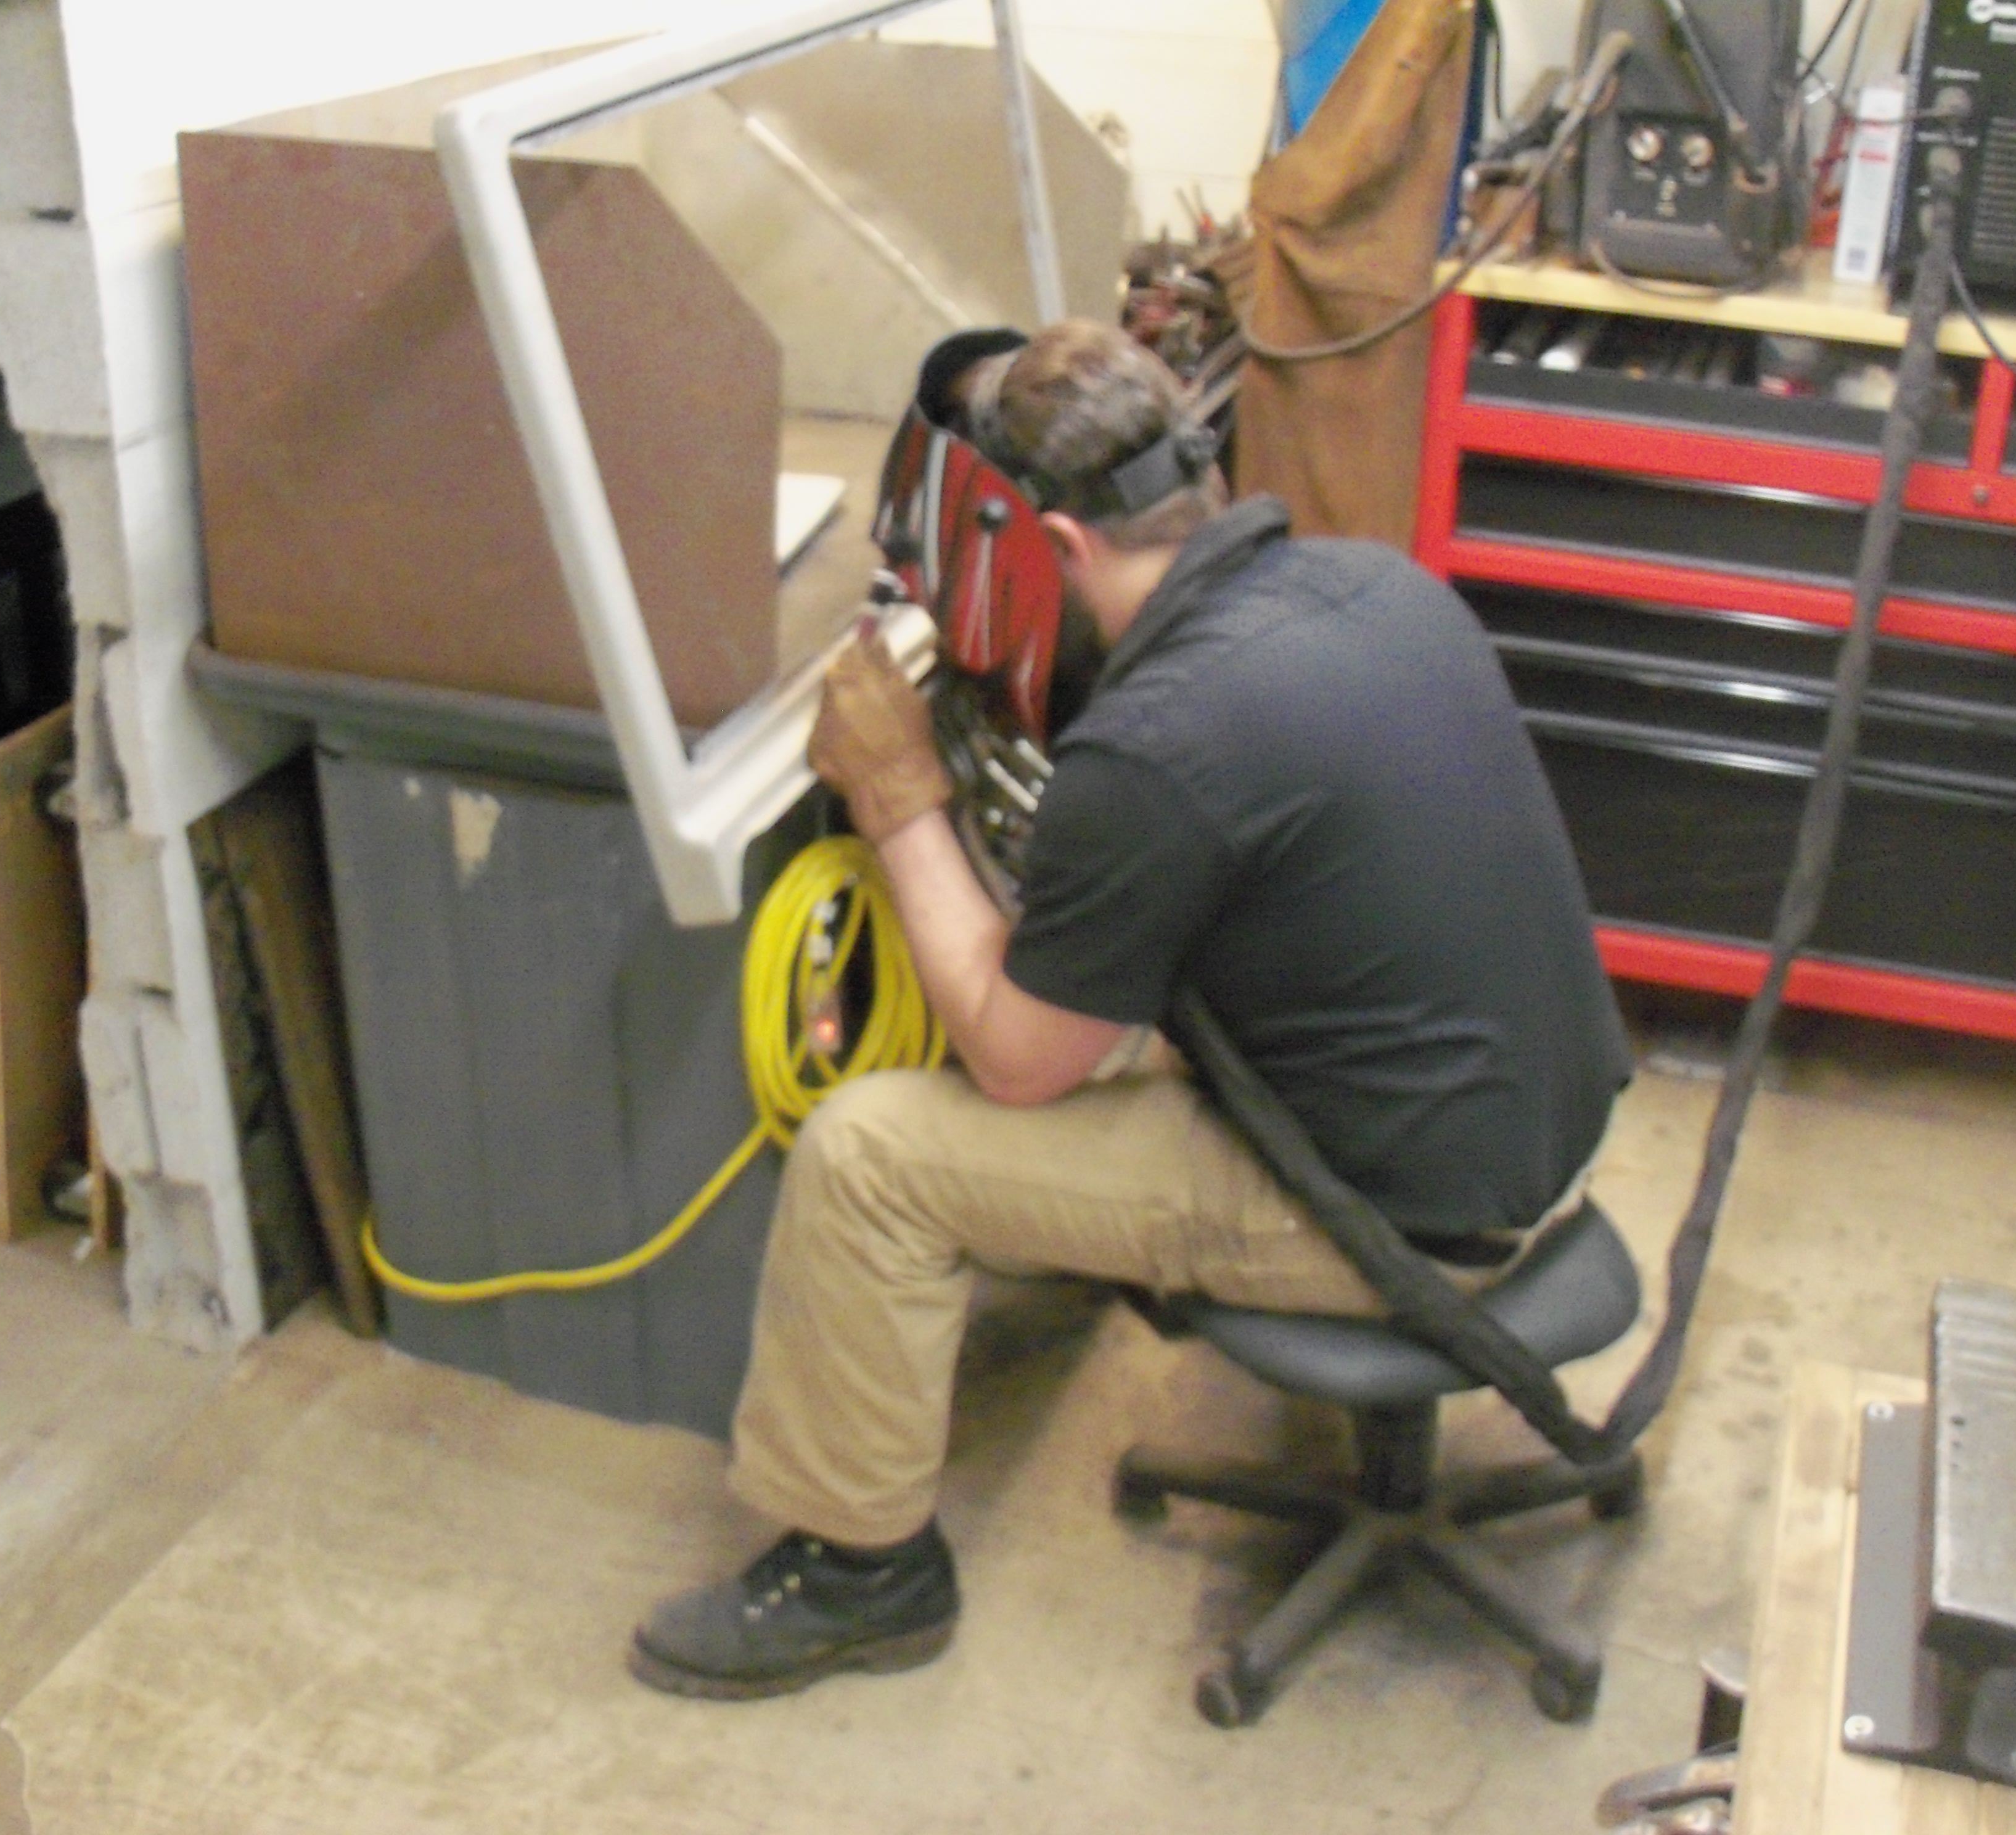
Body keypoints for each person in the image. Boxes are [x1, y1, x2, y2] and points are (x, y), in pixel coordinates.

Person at [628, 320, 1632, 1701]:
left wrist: (898, 792)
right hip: (1542, 1133)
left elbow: (1017, 1057)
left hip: (1403, 1228)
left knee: (870, 1154)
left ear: (1043, 540)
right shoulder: (1371, 583)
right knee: (1110, 1013)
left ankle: (861, 1572)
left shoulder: (1162, 741)